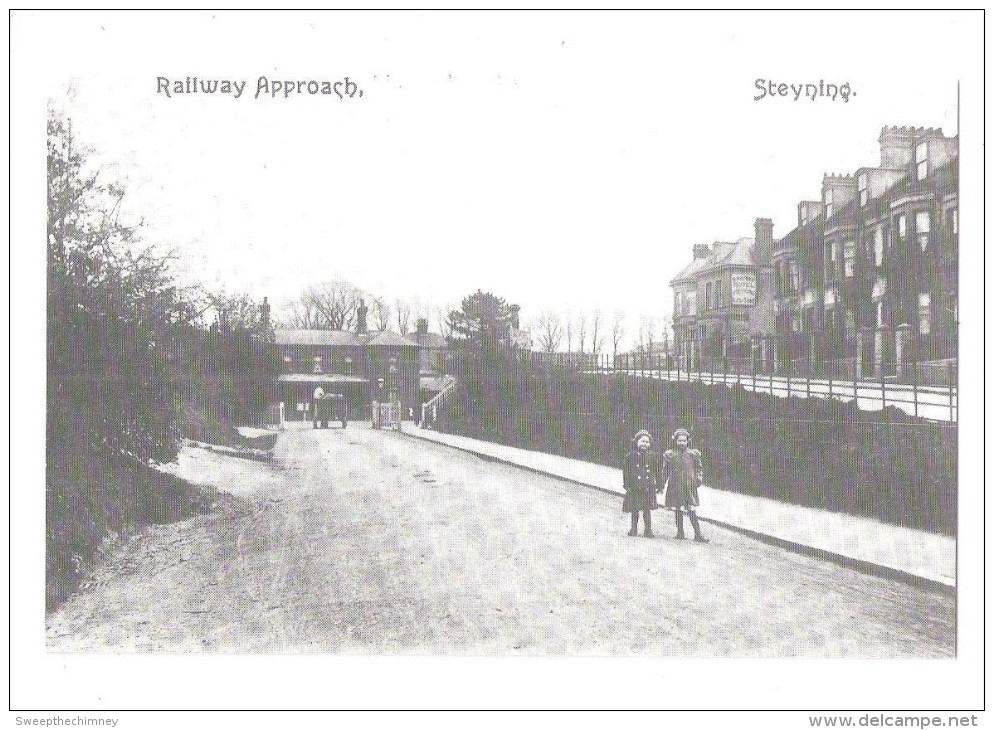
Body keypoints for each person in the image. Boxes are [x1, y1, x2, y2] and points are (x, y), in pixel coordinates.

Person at [661, 428, 709, 542]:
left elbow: (699, 468)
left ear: (688, 441)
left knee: (691, 509)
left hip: (689, 486)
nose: (682, 443)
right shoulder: (670, 455)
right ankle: (680, 532)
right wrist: (661, 484)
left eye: (684, 441)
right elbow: (665, 471)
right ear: (675, 441)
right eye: (679, 440)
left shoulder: (693, 454)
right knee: (678, 508)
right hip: (675, 486)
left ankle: (698, 534)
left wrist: (698, 478)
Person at [622, 429, 660, 538]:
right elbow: (626, 471)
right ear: (636, 442)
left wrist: (659, 485)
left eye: (647, 442)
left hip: (648, 487)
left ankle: (648, 530)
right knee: (635, 509)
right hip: (635, 487)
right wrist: (627, 484)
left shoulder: (652, 457)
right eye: (642, 441)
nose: (644, 444)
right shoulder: (630, 456)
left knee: (647, 510)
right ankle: (633, 529)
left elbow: (657, 471)